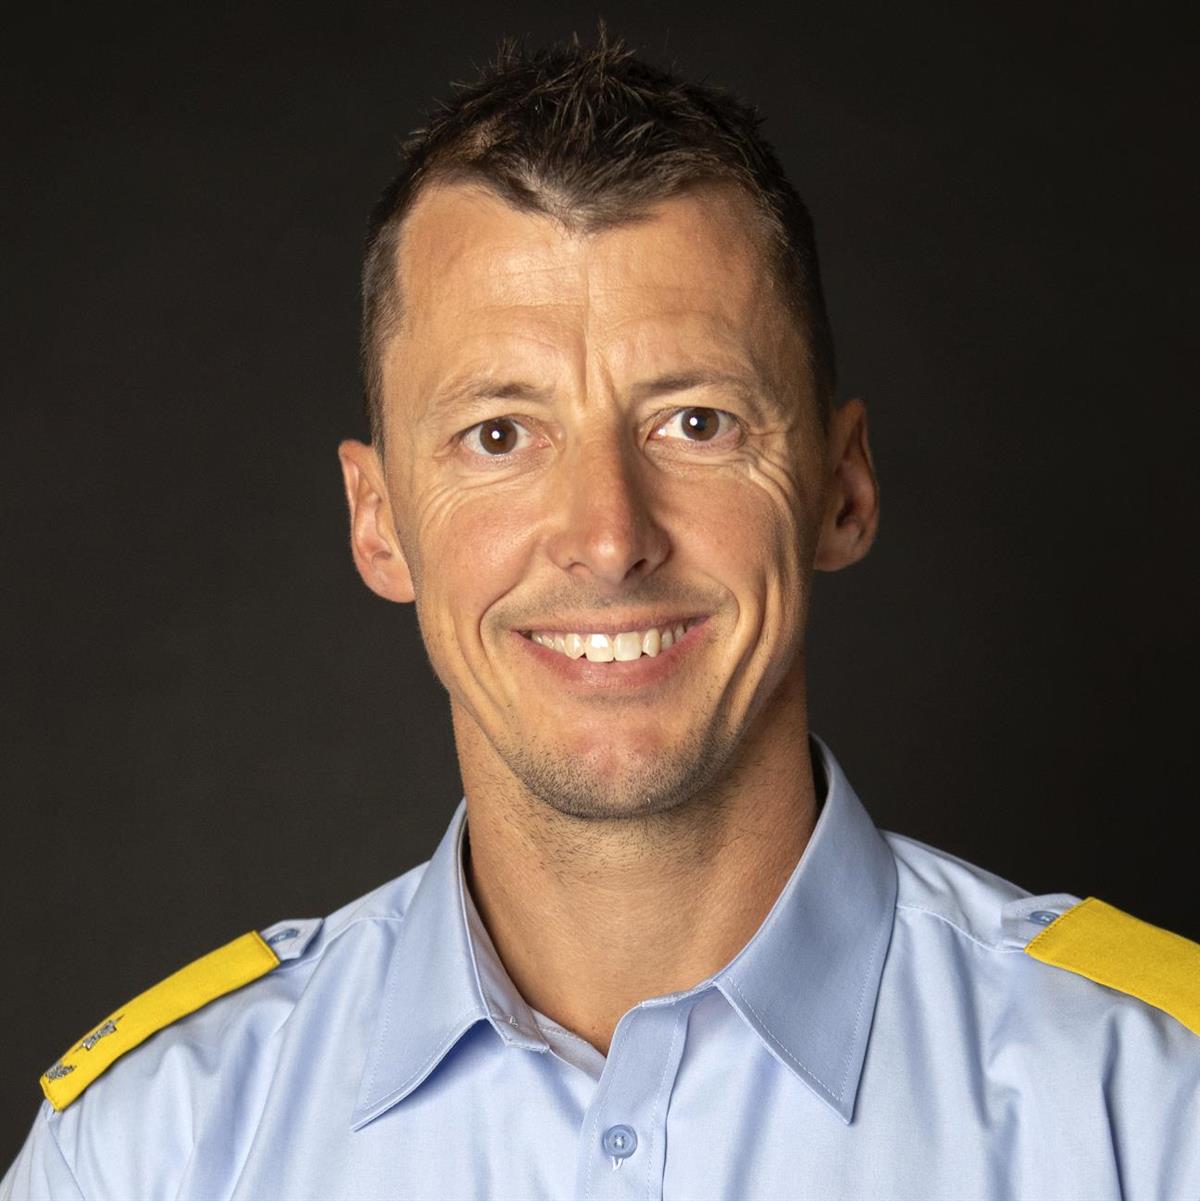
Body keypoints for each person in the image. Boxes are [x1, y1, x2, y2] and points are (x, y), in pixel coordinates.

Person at [4, 30, 1198, 1201]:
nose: (610, 535)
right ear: (378, 520)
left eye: (696, 422)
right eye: (499, 434)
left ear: (842, 488)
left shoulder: (1155, 1110)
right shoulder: (145, 1155)